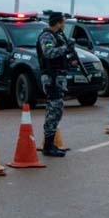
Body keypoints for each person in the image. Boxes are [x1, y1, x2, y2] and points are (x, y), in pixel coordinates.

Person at [36, 12, 77, 157]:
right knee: (54, 110)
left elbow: (61, 55)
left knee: (56, 110)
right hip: (51, 78)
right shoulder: (46, 36)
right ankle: (48, 146)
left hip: (58, 77)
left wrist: (71, 59)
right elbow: (49, 52)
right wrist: (65, 48)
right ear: (58, 23)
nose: (64, 25)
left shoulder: (58, 36)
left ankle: (50, 143)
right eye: (63, 22)